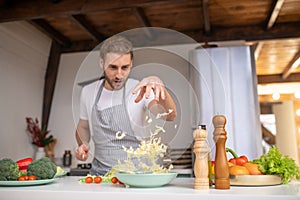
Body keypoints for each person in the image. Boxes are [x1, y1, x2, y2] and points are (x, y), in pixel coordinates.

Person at [75, 35, 177, 175]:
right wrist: (83, 144)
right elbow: (83, 126)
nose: (119, 75)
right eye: (113, 67)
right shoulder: (88, 91)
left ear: (131, 64)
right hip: (99, 175)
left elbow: (170, 116)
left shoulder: (140, 89)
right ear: (101, 63)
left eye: (125, 67)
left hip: (136, 175)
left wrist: (159, 85)